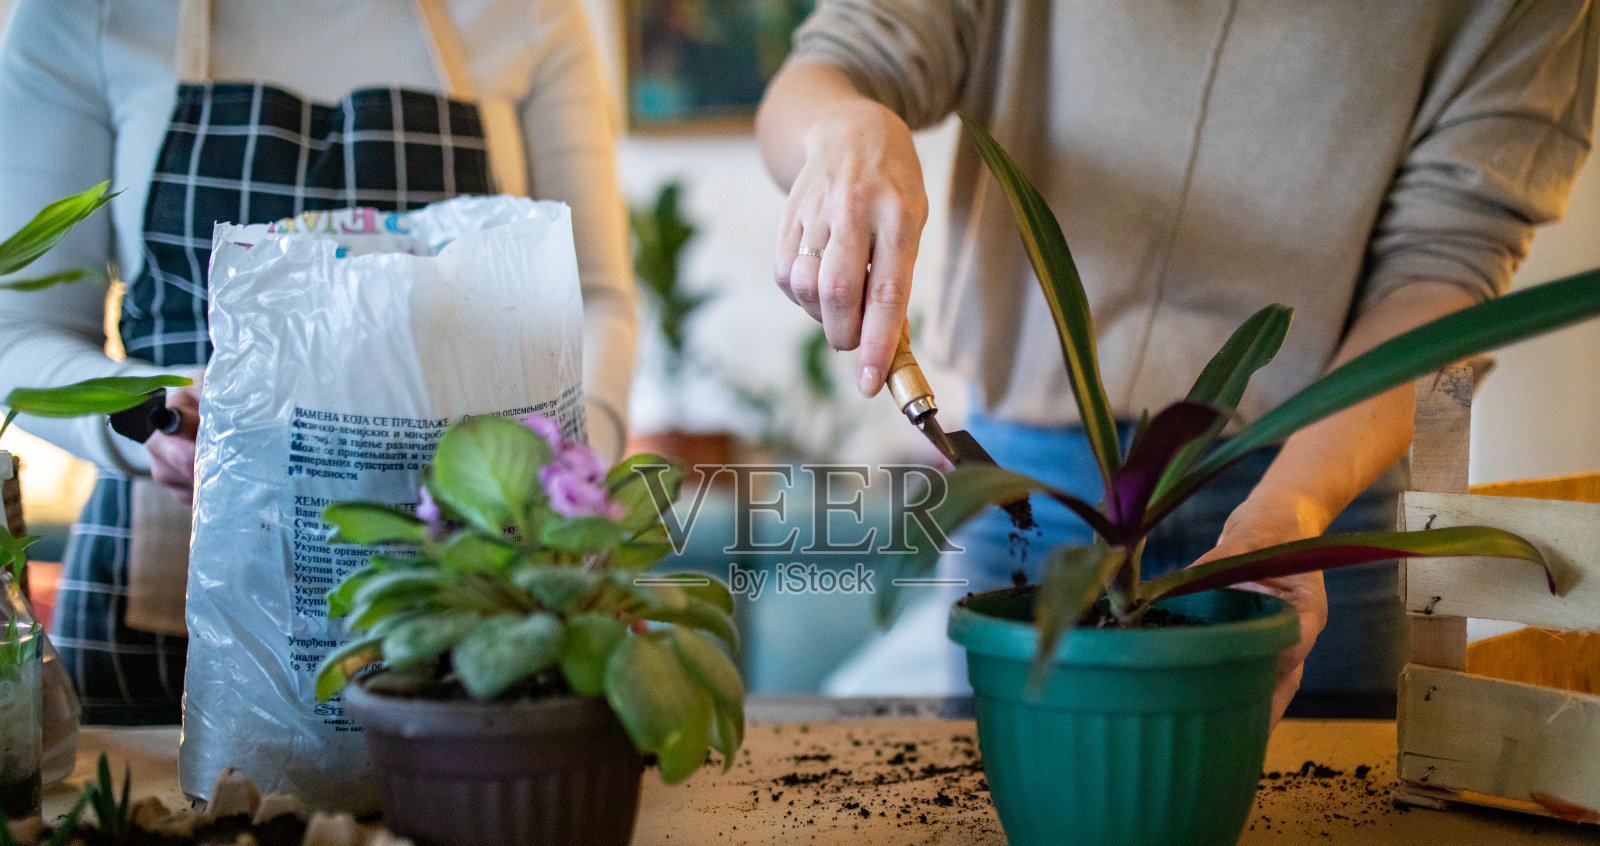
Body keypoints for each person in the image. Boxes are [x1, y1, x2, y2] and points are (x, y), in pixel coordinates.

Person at [757, 1, 1597, 722]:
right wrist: (843, 128)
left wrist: (1290, 510)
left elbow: (1446, 264)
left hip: (1307, 495)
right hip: (1030, 478)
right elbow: (829, 68)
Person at [0, 0, 637, 724]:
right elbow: (19, 327)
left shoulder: (528, 13)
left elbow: (595, 297)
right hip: (164, 603)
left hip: (471, 595)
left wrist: (573, 486)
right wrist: (151, 417)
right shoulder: (87, 12)